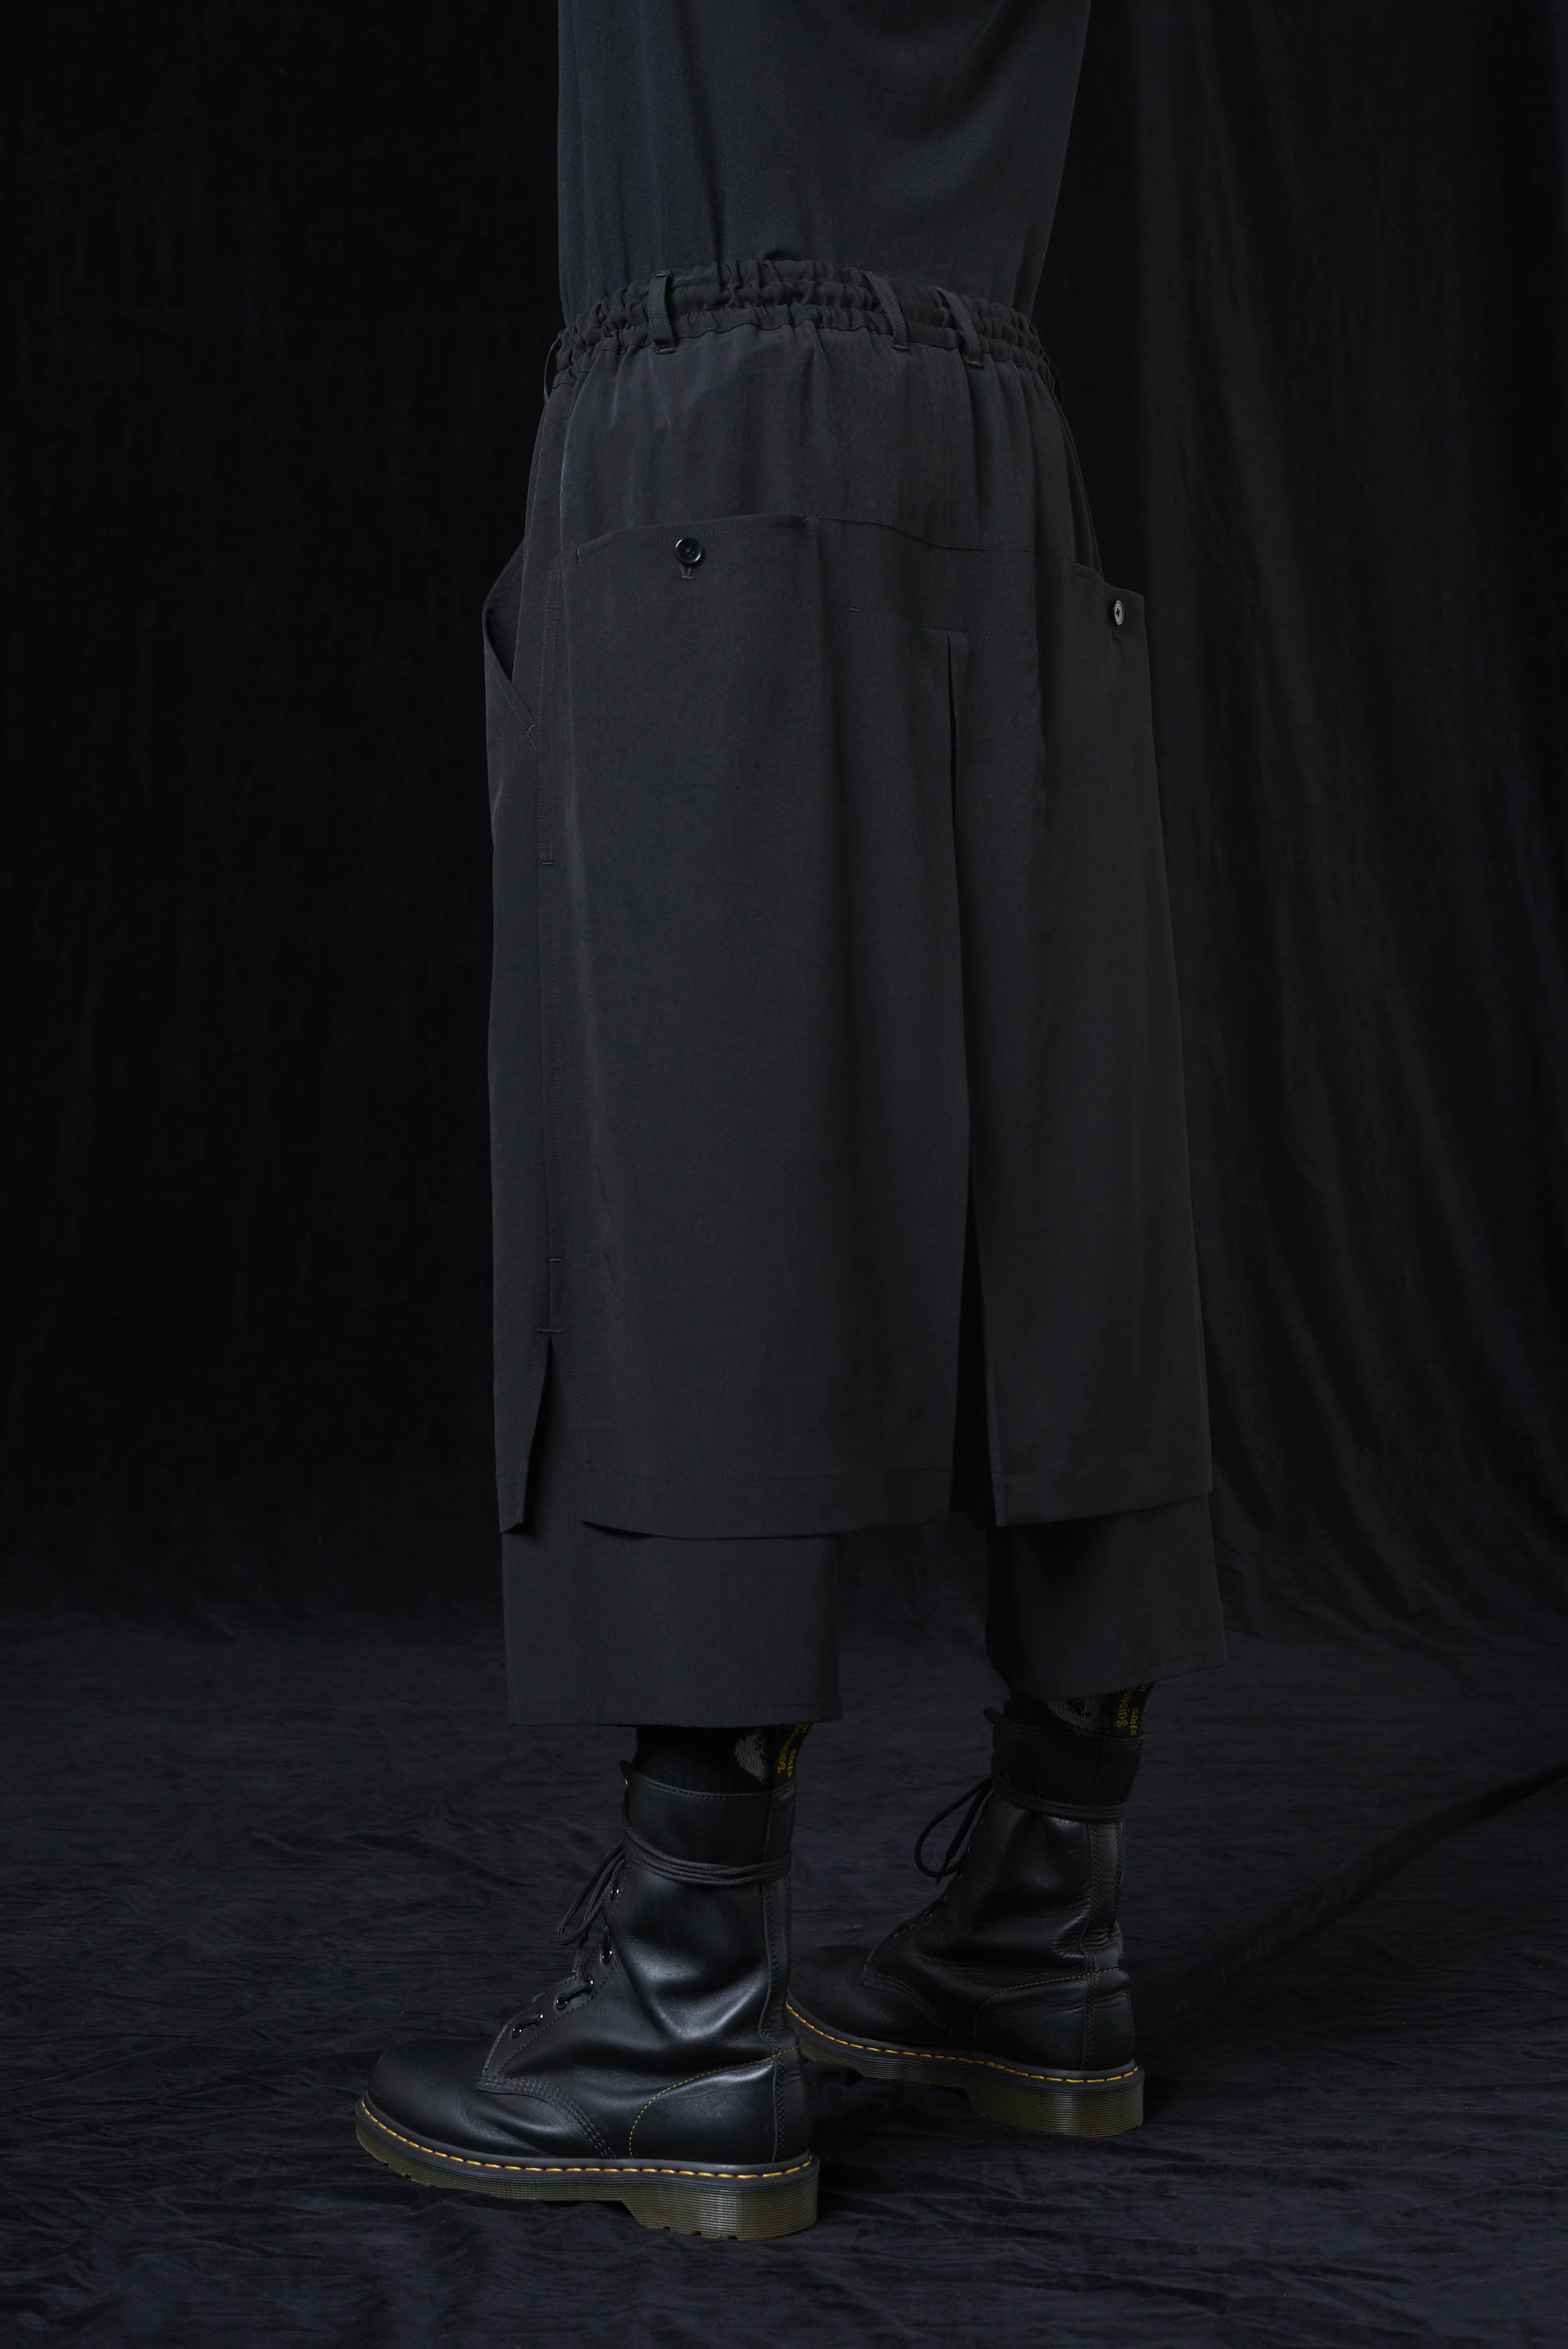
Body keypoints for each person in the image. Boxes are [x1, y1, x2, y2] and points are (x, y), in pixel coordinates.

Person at [357, 0, 1224, 2240]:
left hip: (707, 414)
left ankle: (686, 2000)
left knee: (692, 1162)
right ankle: (1046, 1920)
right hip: (995, 439)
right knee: (1060, 1155)